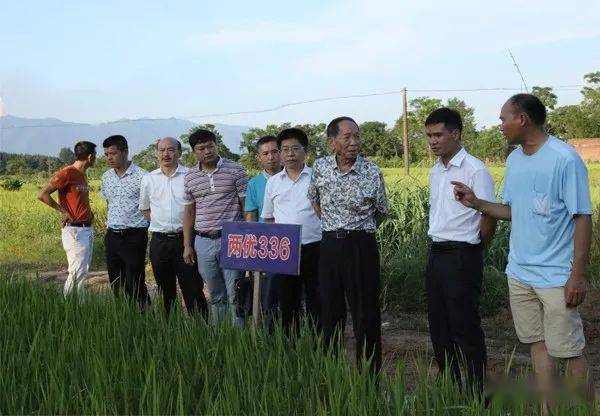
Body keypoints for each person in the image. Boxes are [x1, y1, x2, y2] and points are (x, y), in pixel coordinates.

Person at [452, 94, 593, 403]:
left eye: (503, 119)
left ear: (522, 119)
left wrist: (577, 276)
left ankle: (585, 408)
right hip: (519, 272)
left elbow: (582, 217)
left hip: (556, 276)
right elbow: (512, 211)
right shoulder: (514, 159)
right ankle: (549, 409)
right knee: (538, 345)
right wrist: (477, 203)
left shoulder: (564, 159)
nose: (500, 125)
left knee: (569, 351)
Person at [424, 108, 496, 394]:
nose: (432, 141)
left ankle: (478, 392)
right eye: (429, 135)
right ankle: (451, 388)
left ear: (456, 133)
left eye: (438, 134)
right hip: (437, 254)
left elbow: (488, 215)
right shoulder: (435, 170)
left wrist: (476, 248)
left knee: (464, 326)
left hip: (463, 256)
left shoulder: (475, 169)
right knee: (439, 327)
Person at [308, 116, 388, 372]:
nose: (354, 143)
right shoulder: (319, 168)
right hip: (330, 244)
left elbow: (381, 211)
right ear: (332, 142)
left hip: (361, 246)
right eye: (347, 137)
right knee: (330, 311)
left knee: (365, 314)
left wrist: (356, 229)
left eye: (357, 136)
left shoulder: (372, 171)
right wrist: (335, 225)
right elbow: (315, 201)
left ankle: (370, 377)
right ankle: (331, 372)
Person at [182, 129, 249, 327]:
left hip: (233, 238)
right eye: (201, 148)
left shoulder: (236, 170)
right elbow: (189, 212)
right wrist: (187, 245)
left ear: (216, 145)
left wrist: (248, 239)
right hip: (203, 241)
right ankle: (220, 335)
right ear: (194, 151)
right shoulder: (190, 177)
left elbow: (246, 207)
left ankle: (239, 338)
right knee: (216, 293)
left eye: (210, 146)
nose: (207, 151)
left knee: (235, 292)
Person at [139, 137, 207, 318]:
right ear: (157, 153)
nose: (165, 154)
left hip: (186, 240)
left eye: (170, 150)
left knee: (192, 287)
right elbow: (145, 209)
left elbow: (197, 207)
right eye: (161, 150)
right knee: (164, 289)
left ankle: (201, 327)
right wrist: (161, 224)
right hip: (159, 242)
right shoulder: (149, 179)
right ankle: (172, 328)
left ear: (179, 153)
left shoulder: (191, 176)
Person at [262, 128, 322, 336]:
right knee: (288, 302)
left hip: (315, 246)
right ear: (279, 152)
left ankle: (320, 345)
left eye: (295, 148)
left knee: (317, 299)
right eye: (285, 149)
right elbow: (269, 218)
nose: (290, 154)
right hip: (285, 249)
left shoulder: (318, 177)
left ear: (305, 151)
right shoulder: (273, 182)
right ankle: (291, 345)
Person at [37, 141, 96, 296]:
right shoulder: (67, 173)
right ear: (90, 157)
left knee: (82, 271)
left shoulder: (83, 175)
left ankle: (78, 307)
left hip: (86, 228)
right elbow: (42, 194)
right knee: (77, 273)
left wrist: (89, 213)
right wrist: (62, 211)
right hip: (75, 231)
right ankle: (69, 306)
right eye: (95, 155)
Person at [101, 135, 150, 308]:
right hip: (112, 235)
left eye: (113, 153)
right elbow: (109, 204)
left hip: (134, 235)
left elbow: (150, 207)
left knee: (135, 281)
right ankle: (123, 316)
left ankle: (144, 316)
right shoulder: (106, 177)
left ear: (125, 152)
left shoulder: (143, 176)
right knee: (116, 281)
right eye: (106, 154)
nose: (109, 158)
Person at [243, 135, 282, 331]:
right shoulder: (254, 184)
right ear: (259, 157)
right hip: (267, 246)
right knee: (268, 295)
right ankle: (268, 335)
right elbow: (250, 214)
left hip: (294, 243)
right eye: (265, 153)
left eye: (275, 151)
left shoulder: (299, 177)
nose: (271, 157)